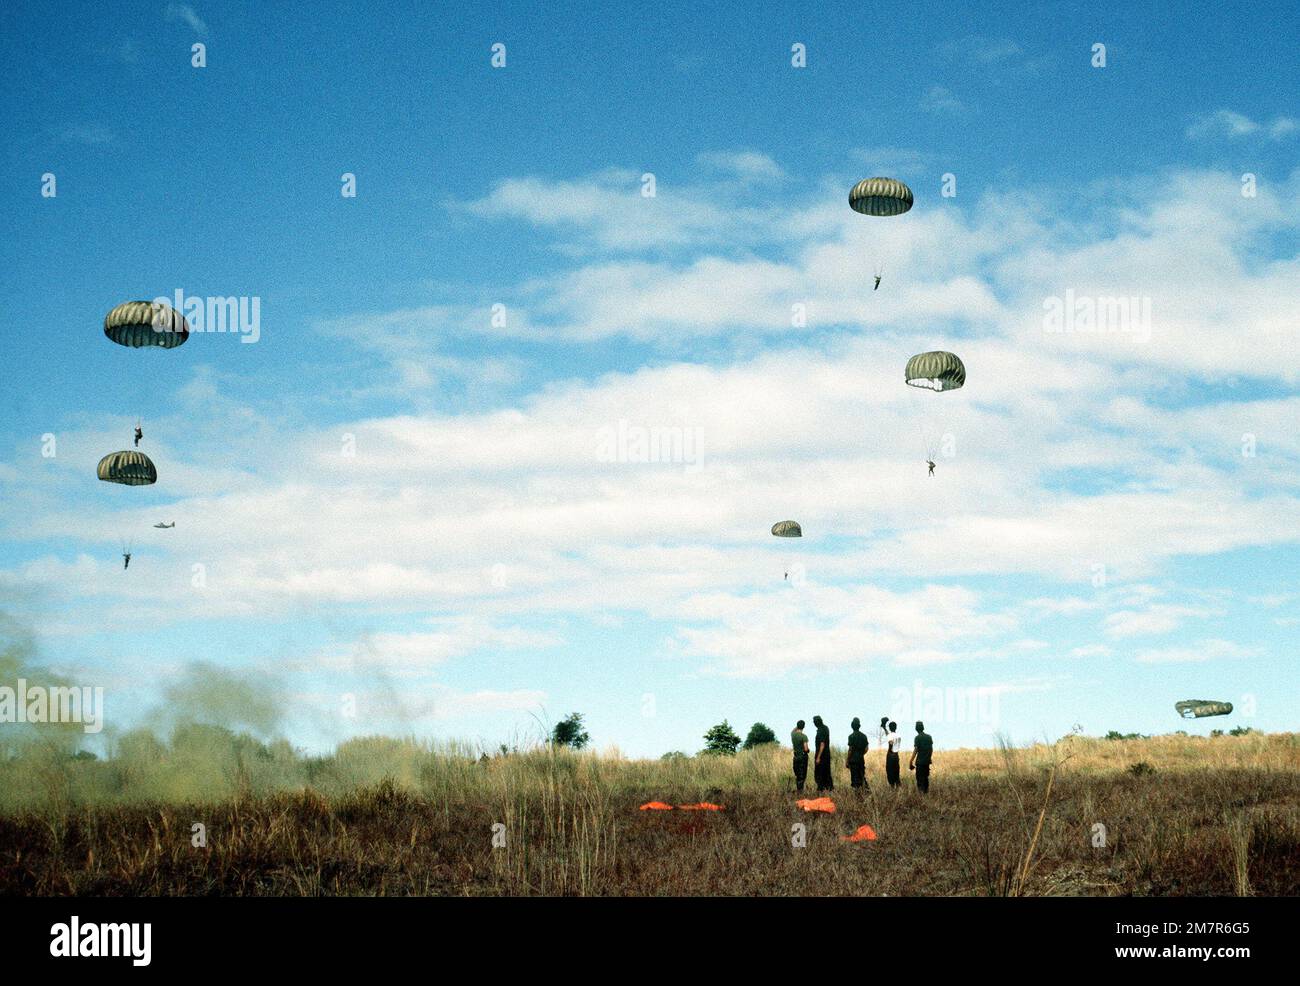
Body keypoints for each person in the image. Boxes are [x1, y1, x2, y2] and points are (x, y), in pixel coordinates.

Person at [909, 720, 934, 793]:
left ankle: (921, 797)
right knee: (926, 780)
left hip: (920, 763)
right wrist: (928, 758)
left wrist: (910, 761)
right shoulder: (929, 737)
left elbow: (916, 750)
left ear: (916, 728)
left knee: (920, 781)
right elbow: (931, 749)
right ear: (923, 727)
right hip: (927, 762)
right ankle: (926, 795)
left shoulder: (917, 738)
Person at [846, 717, 868, 790]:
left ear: (852, 726)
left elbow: (850, 750)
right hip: (861, 760)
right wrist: (861, 754)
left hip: (853, 761)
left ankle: (858, 795)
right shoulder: (864, 736)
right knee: (862, 777)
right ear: (859, 726)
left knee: (855, 779)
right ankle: (866, 791)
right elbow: (866, 749)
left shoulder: (851, 736)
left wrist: (847, 760)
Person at [812, 715, 833, 792]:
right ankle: (829, 788)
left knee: (819, 773)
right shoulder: (826, 728)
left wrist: (818, 757)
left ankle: (821, 788)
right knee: (827, 772)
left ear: (816, 722)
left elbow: (822, 744)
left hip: (822, 755)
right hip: (827, 754)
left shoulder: (820, 730)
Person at [790, 720, 810, 792]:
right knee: (802, 774)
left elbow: (793, 731)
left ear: (797, 726)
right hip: (802, 757)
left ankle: (798, 789)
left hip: (795, 757)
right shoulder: (804, 736)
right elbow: (806, 749)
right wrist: (808, 750)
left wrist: (798, 726)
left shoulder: (793, 735)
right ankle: (800, 791)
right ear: (804, 727)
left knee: (797, 774)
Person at [885, 720, 902, 788]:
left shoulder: (890, 735)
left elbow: (891, 742)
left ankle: (892, 786)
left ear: (889, 728)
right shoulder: (898, 736)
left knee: (890, 771)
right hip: (896, 755)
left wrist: (889, 750)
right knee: (896, 771)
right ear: (896, 727)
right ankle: (898, 786)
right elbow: (889, 735)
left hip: (891, 755)